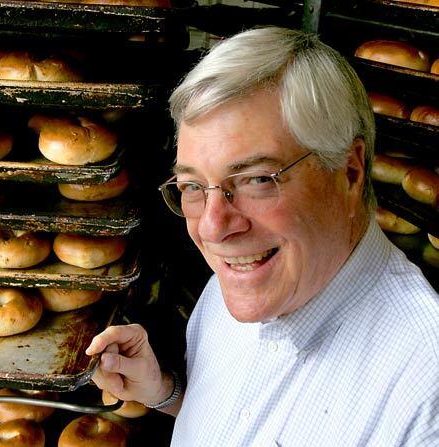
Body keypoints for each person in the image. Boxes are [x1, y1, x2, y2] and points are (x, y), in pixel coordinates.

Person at [85, 26, 438, 446]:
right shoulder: (241, 277)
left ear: (349, 172)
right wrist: (165, 391)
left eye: (255, 180)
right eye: (193, 187)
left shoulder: (423, 391)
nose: (213, 228)